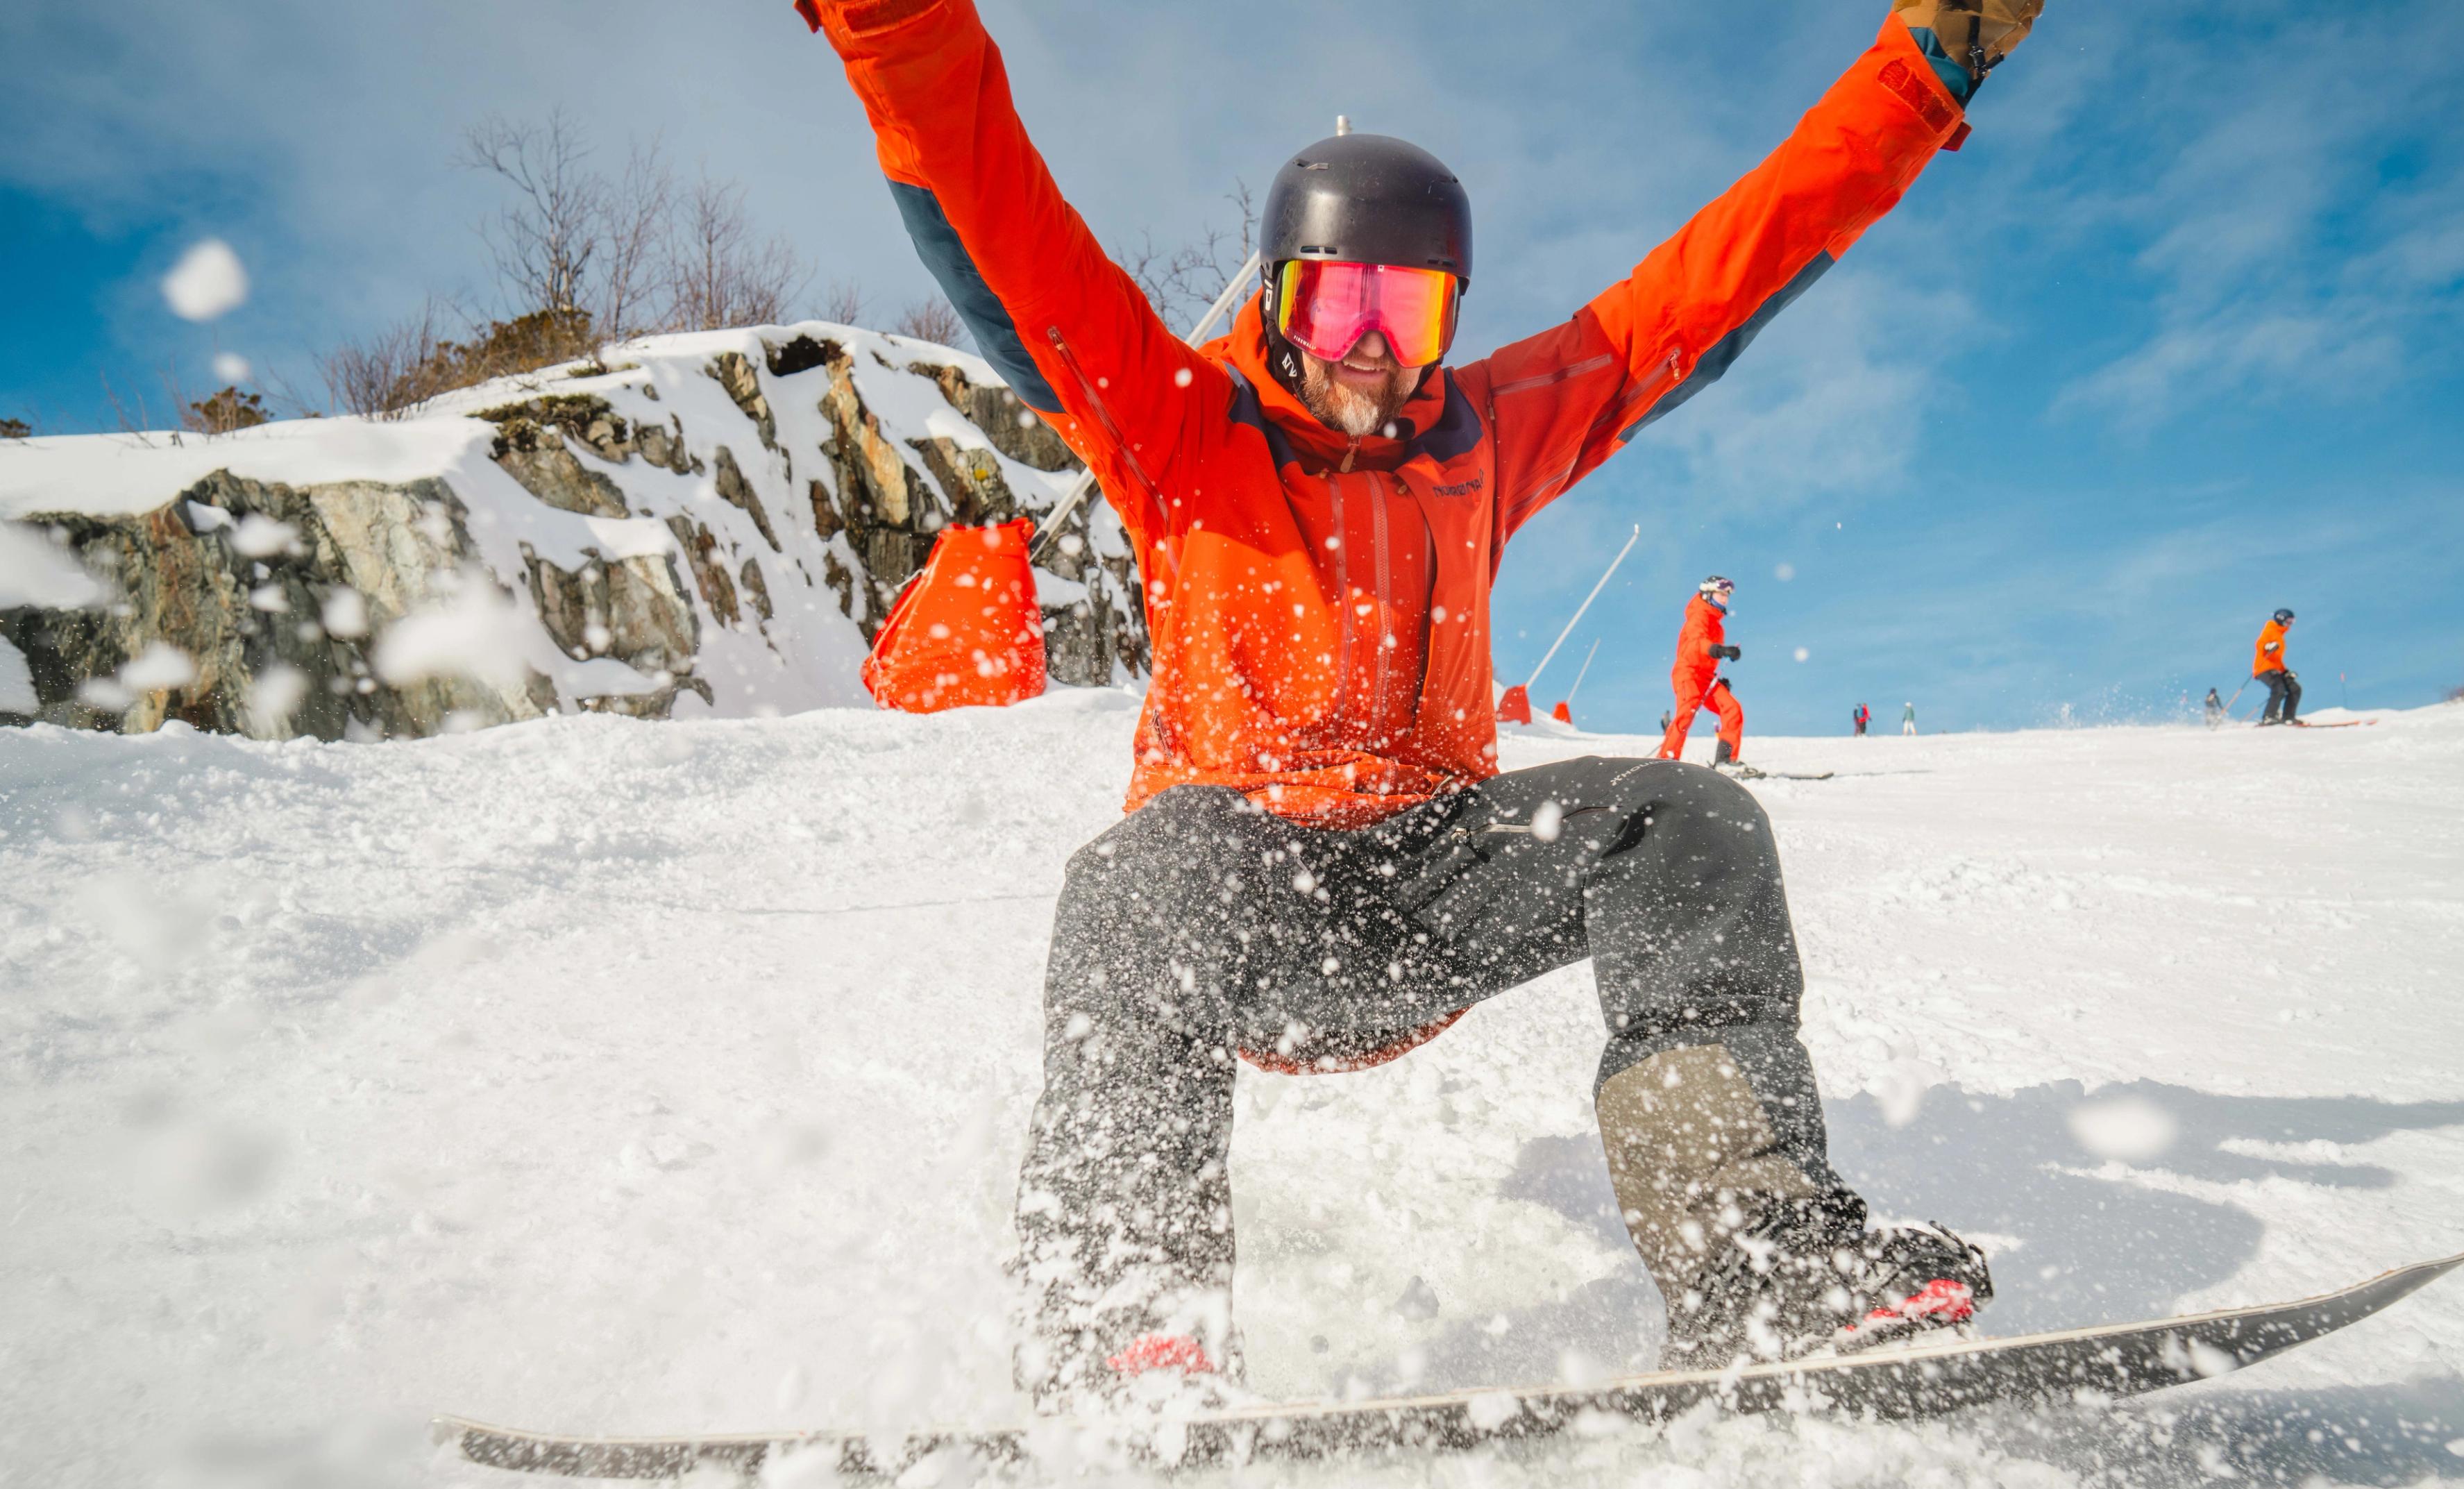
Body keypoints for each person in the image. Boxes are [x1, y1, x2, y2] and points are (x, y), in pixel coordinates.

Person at [799, 0, 2039, 1408]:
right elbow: (995, 216)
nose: (1375, 346)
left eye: (1413, 308)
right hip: (1238, 891)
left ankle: (1758, 1259)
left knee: (1684, 818)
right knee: (1131, 877)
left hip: (1435, 881)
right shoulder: (1176, 425)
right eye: (1340, 301)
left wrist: (1924, 68)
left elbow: (1714, 285)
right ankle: (1125, 1316)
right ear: (1277, 295)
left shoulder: (1488, 439)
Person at [1657, 575, 1747, 769]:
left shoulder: (1717, 625)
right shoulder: (1698, 615)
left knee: (1732, 709)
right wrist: (1720, 650)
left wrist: (1717, 678)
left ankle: (1725, 761)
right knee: (1686, 713)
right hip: (1688, 673)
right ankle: (1665, 761)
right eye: (1721, 593)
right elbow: (1698, 643)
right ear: (1707, 594)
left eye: (1727, 595)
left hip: (1706, 678)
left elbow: (1707, 657)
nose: (1725, 598)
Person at [2254, 609, 2302, 725]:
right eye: (2289, 621)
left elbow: (2277, 660)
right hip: (2263, 668)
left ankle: (2288, 717)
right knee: (2279, 689)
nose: (2290, 624)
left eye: (2292, 621)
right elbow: (2260, 643)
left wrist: (2285, 672)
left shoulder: (2280, 635)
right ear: (2281, 619)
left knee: (2295, 689)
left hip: (2276, 669)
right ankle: (2268, 717)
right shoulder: (2271, 629)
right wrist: (2267, 646)